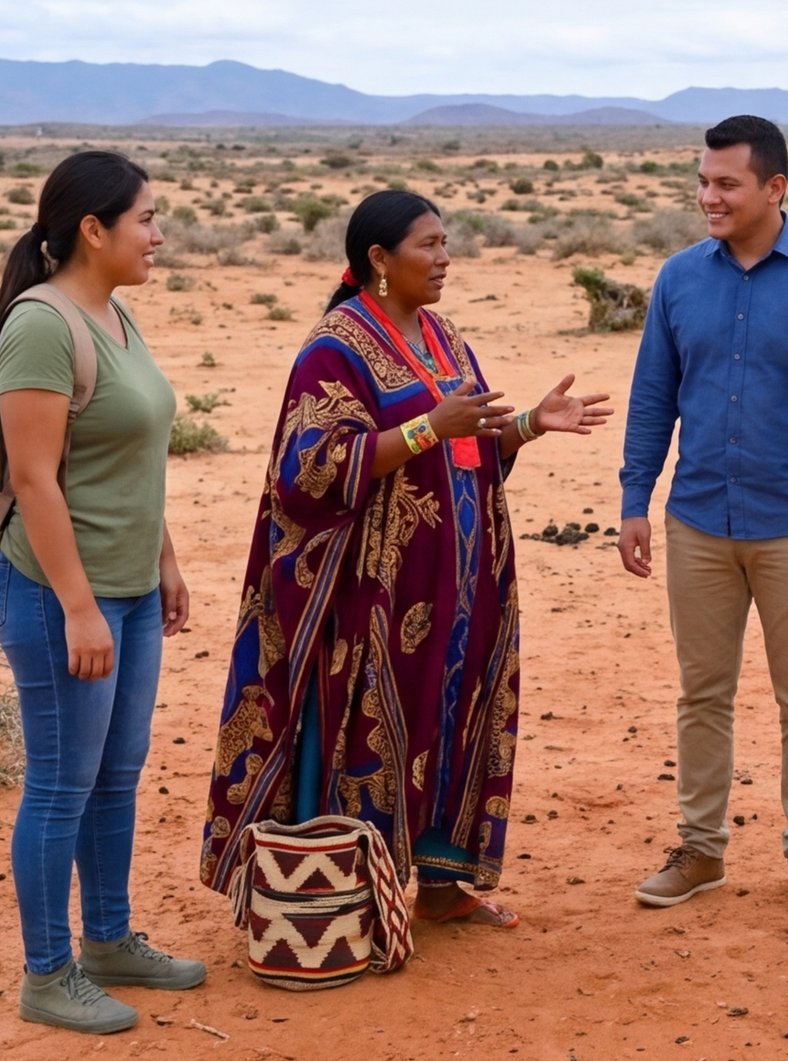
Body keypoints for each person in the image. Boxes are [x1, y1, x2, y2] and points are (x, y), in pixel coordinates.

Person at [200, 189, 612, 927]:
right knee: (372, 730)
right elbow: (311, 472)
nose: (445, 257)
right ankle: (340, 897)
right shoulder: (334, 346)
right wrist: (427, 427)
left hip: (459, 579)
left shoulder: (443, 337)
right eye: (428, 244)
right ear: (379, 260)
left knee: (450, 716)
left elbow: (467, 442)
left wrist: (526, 425)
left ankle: (446, 888)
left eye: (447, 242)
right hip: (373, 590)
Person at [0, 150, 205, 1034]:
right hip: (61, 595)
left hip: (129, 589)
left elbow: (125, 461)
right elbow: (34, 476)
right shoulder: (41, 324)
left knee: (116, 776)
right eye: (145, 218)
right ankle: (46, 973)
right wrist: (78, 603)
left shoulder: (115, 315)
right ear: (92, 229)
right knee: (62, 781)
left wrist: (164, 561)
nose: (158, 233)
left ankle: (107, 939)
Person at [618, 115, 788, 913]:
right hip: (696, 520)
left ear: (775, 187)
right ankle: (701, 849)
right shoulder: (678, 278)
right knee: (702, 694)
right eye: (702, 181)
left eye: (726, 183)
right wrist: (636, 499)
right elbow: (652, 399)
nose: (708, 196)